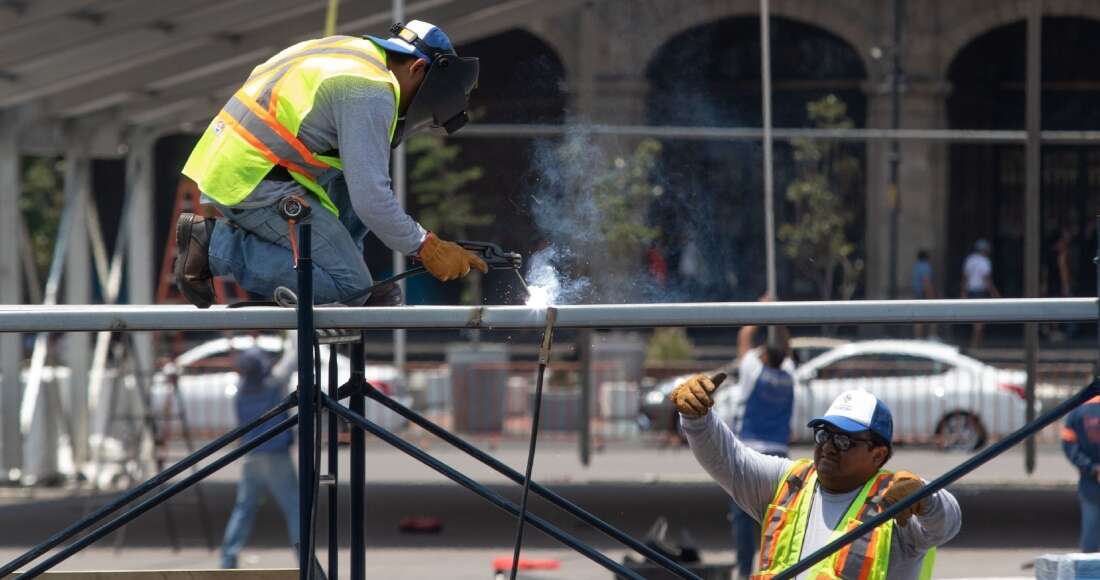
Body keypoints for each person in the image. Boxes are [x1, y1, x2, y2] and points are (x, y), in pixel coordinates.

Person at [175, 20, 487, 308]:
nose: (410, 112)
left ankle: (350, 283)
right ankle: (215, 246)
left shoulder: (354, 55)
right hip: (253, 178)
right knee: (350, 289)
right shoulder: (370, 89)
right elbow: (372, 198)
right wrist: (426, 246)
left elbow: (354, 189)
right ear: (418, 68)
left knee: (351, 191)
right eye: (422, 99)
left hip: (239, 165)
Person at [671, 379, 961, 579]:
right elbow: (730, 461)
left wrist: (926, 498)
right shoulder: (789, 482)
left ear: (878, 454)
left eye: (845, 440)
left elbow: (945, 524)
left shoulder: (897, 500)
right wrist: (696, 419)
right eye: (824, 434)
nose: (829, 446)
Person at [220, 335, 300, 569]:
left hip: (251, 454)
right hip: (275, 454)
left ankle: (227, 559)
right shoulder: (273, 384)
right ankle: (304, 558)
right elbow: (293, 358)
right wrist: (292, 334)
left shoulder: (241, 392)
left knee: (244, 508)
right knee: (294, 507)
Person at [723, 322, 795, 579]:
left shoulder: (753, 372)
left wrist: (761, 311)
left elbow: (744, 336)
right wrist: (779, 318)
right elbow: (785, 349)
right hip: (780, 454)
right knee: (775, 518)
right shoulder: (788, 375)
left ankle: (744, 571)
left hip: (750, 452)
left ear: (763, 356)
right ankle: (773, 569)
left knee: (742, 518)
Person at [1061, 396, 1100, 552]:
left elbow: (1069, 445)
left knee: (1090, 531)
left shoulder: (1077, 412)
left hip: (1090, 480)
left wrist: (1092, 468)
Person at [960, 239, 1000, 349]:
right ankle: (975, 344)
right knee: (979, 320)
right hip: (979, 292)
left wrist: (963, 292)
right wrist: (994, 294)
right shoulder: (984, 261)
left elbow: (965, 277)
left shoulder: (970, 260)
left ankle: (976, 343)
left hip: (970, 291)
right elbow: (987, 279)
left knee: (974, 318)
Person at [911, 249, 937, 340]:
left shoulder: (916, 266)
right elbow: (926, 281)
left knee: (918, 316)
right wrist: (931, 295)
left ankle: (918, 337)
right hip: (925, 294)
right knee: (933, 314)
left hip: (917, 293)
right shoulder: (926, 266)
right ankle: (931, 335)